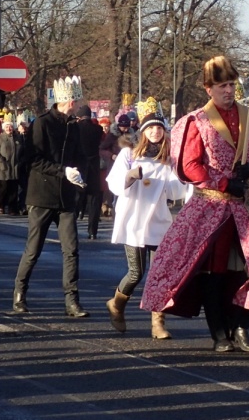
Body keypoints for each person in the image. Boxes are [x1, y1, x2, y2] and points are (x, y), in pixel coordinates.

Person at [141, 56, 249, 353]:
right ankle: (218, 332)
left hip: (246, 206)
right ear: (208, 89)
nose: (229, 91)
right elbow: (190, 166)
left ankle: (242, 327)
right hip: (211, 206)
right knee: (212, 272)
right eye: (222, 86)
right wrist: (225, 182)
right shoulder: (196, 121)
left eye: (231, 84)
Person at [105, 96, 185, 339]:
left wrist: (181, 174)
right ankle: (117, 304)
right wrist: (130, 176)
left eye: (159, 128)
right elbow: (114, 184)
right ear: (143, 131)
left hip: (159, 221)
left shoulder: (167, 158)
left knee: (160, 274)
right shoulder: (129, 154)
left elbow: (175, 191)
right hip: (134, 221)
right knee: (136, 273)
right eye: (150, 128)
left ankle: (158, 323)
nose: (155, 132)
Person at [12, 76, 89, 318]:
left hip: (66, 196)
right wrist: (62, 171)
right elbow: (33, 159)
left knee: (71, 250)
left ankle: (72, 301)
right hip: (42, 194)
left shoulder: (73, 126)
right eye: (75, 101)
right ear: (67, 100)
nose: (77, 105)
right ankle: (19, 294)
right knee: (33, 250)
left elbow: (79, 156)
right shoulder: (42, 124)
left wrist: (79, 175)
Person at [75, 104, 104, 239]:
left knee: (76, 198)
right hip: (93, 167)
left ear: (79, 117)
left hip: (79, 166)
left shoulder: (76, 128)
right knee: (94, 201)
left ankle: (71, 228)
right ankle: (93, 231)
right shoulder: (97, 129)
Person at [0, 121, 22, 215]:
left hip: (15, 167)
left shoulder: (18, 138)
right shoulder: (0, 138)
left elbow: (23, 150)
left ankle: (12, 209)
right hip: (4, 167)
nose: (9, 128)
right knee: (4, 189)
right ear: (4, 128)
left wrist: (21, 161)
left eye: (11, 127)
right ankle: (1, 205)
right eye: (7, 127)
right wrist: (0, 159)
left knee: (14, 189)